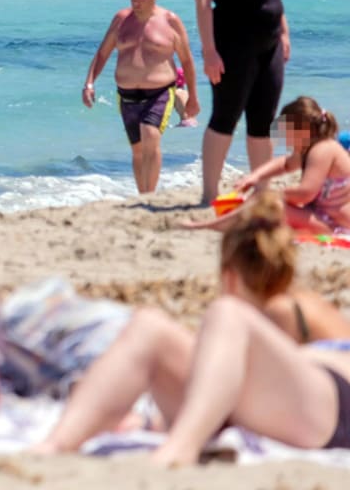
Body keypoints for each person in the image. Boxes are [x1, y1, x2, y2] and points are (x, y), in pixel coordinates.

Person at [35, 192, 350, 465]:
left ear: (229, 275)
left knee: (228, 313)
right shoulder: (284, 309)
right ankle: (55, 445)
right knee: (149, 325)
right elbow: (219, 383)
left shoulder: (275, 310)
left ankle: (179, 449)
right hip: (297, 401)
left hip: (335, 400)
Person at [192, 0, 289, 205]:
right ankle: (209, 195)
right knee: (225, 118)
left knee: (263, 123)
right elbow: (204, 2)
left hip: (271, 46)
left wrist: (284, 32)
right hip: (232, 46)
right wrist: (208, 52)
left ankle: (263, 195)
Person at [81, 0, 201, 193]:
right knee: (137, 150)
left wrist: (193, 97)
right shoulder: (121, 20)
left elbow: (187, 60)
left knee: (150, 136)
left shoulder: (170, 21)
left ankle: (151, 195)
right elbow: (102, 53)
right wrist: (89, 83)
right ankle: (143, 194)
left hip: (160, 93)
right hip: (127, 94)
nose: (136, 1)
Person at [189, 97, 350, 233]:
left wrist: (272, 194)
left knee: (268, 204)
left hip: (335, 223)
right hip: (323, 215)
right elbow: (285, 164)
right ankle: (220, 224)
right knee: (262, 202)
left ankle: (215, 225)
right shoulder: (311, 148)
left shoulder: (321, 150)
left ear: (302, 130)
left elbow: (306, 193)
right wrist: (255, 176)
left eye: (287, 133)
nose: (286, 140)